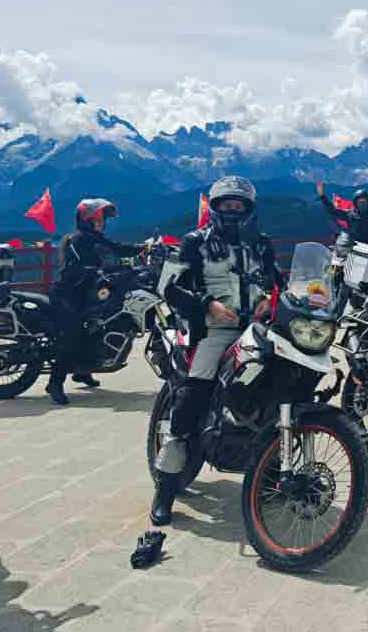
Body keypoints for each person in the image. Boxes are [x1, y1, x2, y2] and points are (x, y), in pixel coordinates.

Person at [151, 176, 281, 525]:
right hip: (215, 331)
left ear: (249, 209)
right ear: (215, 207)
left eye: (240, 206)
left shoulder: (262, 244)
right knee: (192, 399)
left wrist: (271, 302)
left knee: (282, 385)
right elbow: (172, 288)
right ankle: (164, 492)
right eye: (227, 205)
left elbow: (277, 282)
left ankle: (270, 469)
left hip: (256, 330)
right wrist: (208, 304)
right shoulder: (196, 242)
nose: (233, 211)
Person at [46, 198, 144, 405]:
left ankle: (82, 370)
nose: (101, 223)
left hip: (84, 293)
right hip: (66, 292)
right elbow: (72, 267)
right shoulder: (78, 239)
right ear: (85, 219)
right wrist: (96, 270)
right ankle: (55, 382)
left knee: (97, 324)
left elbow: (118, 248)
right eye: (97, 219)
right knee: (72, 332)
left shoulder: (94, 238)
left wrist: (143, 248)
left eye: (102, 220)